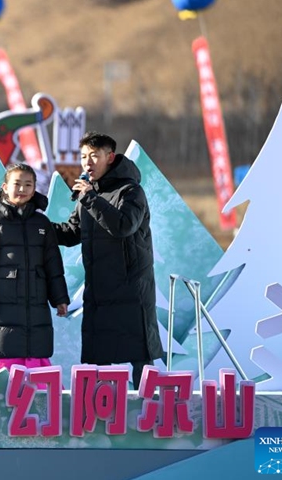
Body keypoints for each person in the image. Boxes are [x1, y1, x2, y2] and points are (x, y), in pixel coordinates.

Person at [52, 131, 163, 388]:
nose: (87, 162)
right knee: (97, 355)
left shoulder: (131, 191)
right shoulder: (88, 195)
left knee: (139, 355)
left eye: (94, 156)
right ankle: (98, 413)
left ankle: (151, 409)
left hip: (130, 288)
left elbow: (123, 225)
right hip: (99, 287)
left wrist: (90, 198)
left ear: (110, 157)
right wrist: (39, 228)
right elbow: (71, 232)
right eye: (83, 157)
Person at [0, 163, 70, 372]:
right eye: (17, 184)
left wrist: (59, 299)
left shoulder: (42, 223)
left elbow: (53, 264)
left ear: (34, 190)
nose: (22, 189)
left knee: (36, 355)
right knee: (4, 355)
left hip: (36, 302)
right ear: (5, 187)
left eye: (28, 185)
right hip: (1, 303)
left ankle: (38, 400)